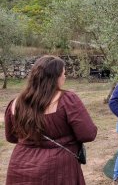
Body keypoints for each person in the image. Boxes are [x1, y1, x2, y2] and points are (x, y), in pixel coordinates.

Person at [4, 55, 97, 185]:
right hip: (58, 170)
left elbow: (11, 137)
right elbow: (88, 134)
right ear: (55, 77)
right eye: (63, 73)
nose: (65, 77)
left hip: (20, 165)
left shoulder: (15, 103)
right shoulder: (67, 100)